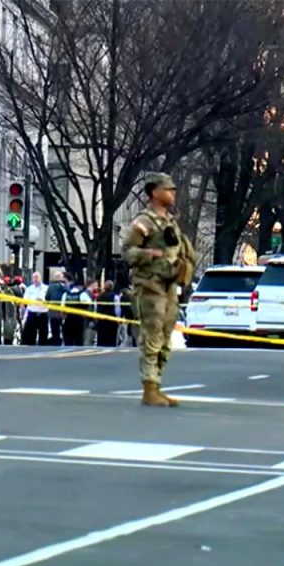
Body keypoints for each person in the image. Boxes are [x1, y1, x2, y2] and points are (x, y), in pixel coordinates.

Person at [120, 172, 197, 407]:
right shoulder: (144, 222)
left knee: (165, 338)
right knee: (151, 336)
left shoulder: (170, 222)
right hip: (149, 286)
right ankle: (149, 388)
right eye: (168, 189)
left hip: (170, 285)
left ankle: (157, 384)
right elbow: (127, 252)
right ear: (154, 192)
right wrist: (148, 254)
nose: (173, 193)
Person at [21, 272, 49, 345]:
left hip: (43, 313)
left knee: (43, 333)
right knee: (30, 333)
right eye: (33, 277)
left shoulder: (46, 288)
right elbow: (24, 300)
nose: (35, 279)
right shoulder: (29, 289)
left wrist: (43, 301)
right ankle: (31, 347)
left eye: (37, 277)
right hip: (32, 312)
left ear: (40, 278)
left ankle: (42, 347)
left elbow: (49, 300)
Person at [44, 271, 68, 345]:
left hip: (53, 312)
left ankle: (56, 342)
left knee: (55, 329)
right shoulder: (65, 286)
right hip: (63, 312)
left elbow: (47, 298)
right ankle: (64, 341)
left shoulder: (50, 287)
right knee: (64, 329)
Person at [95, 280, 120, 347]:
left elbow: (96, 308)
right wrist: (118, 318)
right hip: (111, 321)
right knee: (111, 340)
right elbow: (117, 309)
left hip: (101, 321)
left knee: (101, 340)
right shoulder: (115, 296)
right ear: (112, 287)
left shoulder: (99, 297)